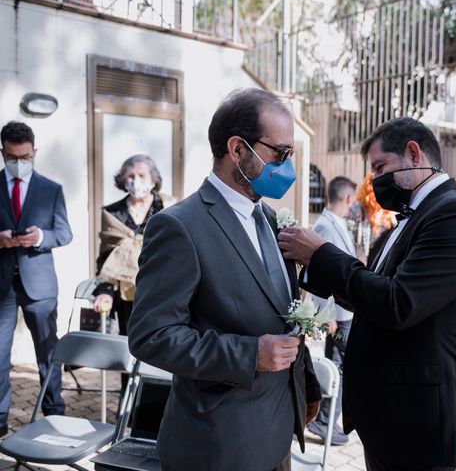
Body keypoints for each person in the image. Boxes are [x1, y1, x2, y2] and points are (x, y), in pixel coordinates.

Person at [279, 117, 456, 470]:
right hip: (388, 412)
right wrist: (313, 264)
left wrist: (321, 254)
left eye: (381, 167)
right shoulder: (413, 216)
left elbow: (400, 303)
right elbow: (372, 292)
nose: (375, 181)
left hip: (420, 417)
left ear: (414, 153)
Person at [128, 89, 321, 471]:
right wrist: (248, 355)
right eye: (280, 154)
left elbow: (276, 310)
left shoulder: (268, 218)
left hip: (278, 432)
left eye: (291, 155)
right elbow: (151, 336)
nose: (288, 167)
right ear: (237, 149)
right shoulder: (179, 226)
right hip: (219, 444)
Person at [0, 121, 72, 437]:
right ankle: (0, 419)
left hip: (40, 287)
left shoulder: (51, 189)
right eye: (12, 157)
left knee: (47, 355)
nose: (19, 163)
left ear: (34, 153)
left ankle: (54, 415)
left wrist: (41, 236)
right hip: (2, 287)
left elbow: (65, 233)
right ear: (2, 153)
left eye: (25, 156)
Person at [92, 154, 176, 336]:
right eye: (130, 176)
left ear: (154, 180)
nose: (135, 181)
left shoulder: (169, 209)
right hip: (127, 295)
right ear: (123, 181)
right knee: (130, 347)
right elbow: (107, 258)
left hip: (163, 293)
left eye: (141, 175)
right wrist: (104, 292)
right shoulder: (112, 214)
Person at [306, 176, 357, 446]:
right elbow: (319, 273)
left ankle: (328, 419)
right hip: (337, 316)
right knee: (339, 367)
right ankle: (325, 419)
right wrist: (327, 316)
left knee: (341, 365)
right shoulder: (326, 226)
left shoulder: (336, 223)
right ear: (348, 198)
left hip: (344, 313)